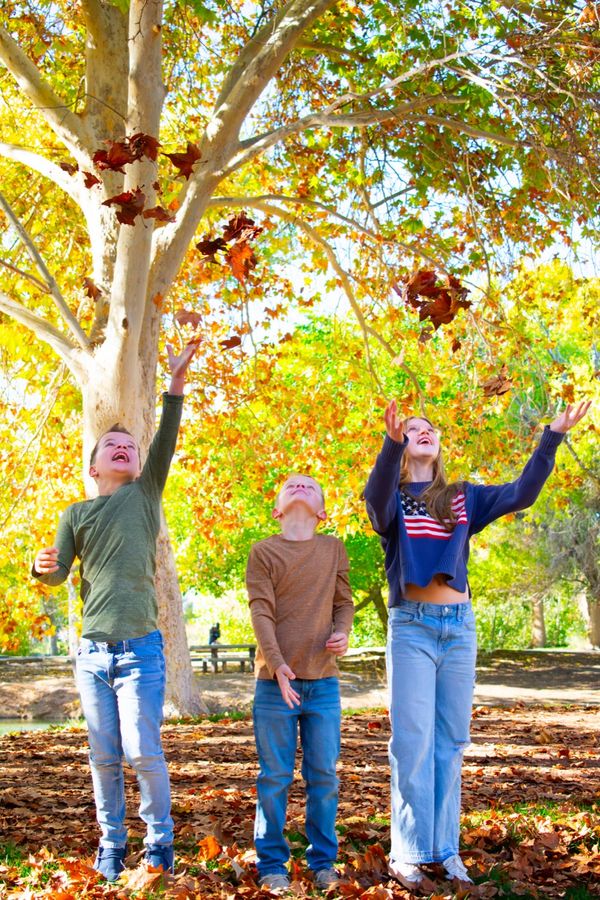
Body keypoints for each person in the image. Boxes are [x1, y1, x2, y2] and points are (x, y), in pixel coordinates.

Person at [363, 399, 590, 891]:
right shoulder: (395, 499)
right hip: (412, 628)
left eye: (429, 429)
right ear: (403, 448)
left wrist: (551, 435)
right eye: (412, 430)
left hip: (459, 628)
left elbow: (522, 493)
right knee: (411, 741)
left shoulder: (462, 496)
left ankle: (444, 850)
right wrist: (389, 444)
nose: (423, 432)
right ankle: (406, 852)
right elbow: (373, 504)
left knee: (449, 743)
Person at [32, 339, 200, 882]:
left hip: (141, 651)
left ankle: (159, 843)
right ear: (94, 463)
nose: (124, 447)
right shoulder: (77, 512)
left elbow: (166, 444)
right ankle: (112, 844)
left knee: (141, 749)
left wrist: (174, 384)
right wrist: (42, 569)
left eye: (130, 443)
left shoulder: (146, 492)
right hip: (91, 654)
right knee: (103, 756)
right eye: (113, 444)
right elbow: (58, 575)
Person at [245, 474, 354, 893]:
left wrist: (343, 632)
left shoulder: (333, 549)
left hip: (323, 682)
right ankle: (272, 864)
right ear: (278, 509)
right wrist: (277, 664)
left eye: (310, 485)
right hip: (275, 685)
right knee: (275, 776)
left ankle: (323, 861)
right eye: (291, 485)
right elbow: (261, 612)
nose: (300, 486)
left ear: (322, 511)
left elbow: (343, 603)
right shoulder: (264, 552)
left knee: (324, 775)